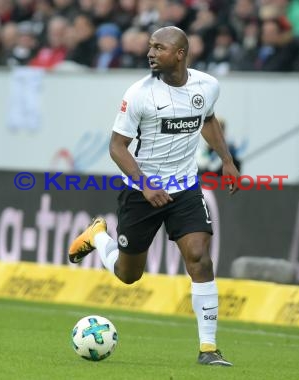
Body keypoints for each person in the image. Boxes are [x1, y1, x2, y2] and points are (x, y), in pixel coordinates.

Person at [68, 26, 239, 366]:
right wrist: (145, 183)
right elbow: (117, 148)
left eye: (158, 47)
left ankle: (208, 349)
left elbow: (207, 119)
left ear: (179, 53)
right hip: (141, 191)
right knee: (129, 275)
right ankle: (98, 236)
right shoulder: (139, 95)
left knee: (199, 258)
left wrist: (227, 159)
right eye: (149, 46)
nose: (150, 52)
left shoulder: (207, 86)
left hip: (185, 187)